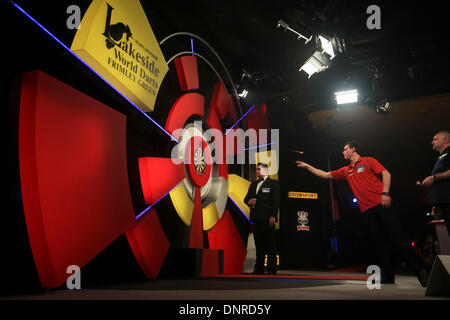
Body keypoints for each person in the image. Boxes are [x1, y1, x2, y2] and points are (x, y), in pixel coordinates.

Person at [296, 141, 429, 286]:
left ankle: (421, 271)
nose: (343, 152)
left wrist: (385, 193)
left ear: (353, 149)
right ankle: (388, 275)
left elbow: (386, 174)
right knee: (379, 244)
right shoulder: (347, 170)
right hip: (367, 211)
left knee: (399, 238)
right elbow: (326, 174)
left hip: (382, 204)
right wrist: (308, 167)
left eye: (345, 149)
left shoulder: (368, 161)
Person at [244, 163, 280, 275]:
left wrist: (273, 216)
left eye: (259, 169)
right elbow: (246, 198)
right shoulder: (253, 184)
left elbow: (276, 201)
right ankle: (258, 268)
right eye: (256, 169)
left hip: (267, 219)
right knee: (258, 245)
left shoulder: (273, 183)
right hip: (255, 219)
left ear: (265, 170)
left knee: (270, 244)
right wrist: (249, 202)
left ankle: (272, 268)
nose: (257, 171)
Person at [421, 130, 450, 235]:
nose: (432, 142)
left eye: (435, 139)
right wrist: (437, 203)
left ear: (446, 139)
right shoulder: (441, 157)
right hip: (445, 202)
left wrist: (434, 177)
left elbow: (439, 177)